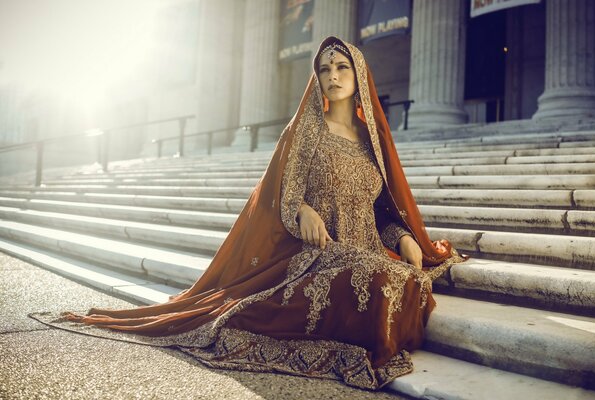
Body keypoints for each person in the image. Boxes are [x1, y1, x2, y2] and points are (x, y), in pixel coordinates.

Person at [30, 36, 466, 390]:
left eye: (341, 67)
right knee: (381, 279)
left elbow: (384, 214)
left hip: (365, 249)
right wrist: (303, 210)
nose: (332, 76)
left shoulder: (373, 144)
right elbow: (281, 195)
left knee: (406, 278)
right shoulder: (307, 129)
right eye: (324, 69)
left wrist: (404, 238)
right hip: (315, 256)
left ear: (359, 74)